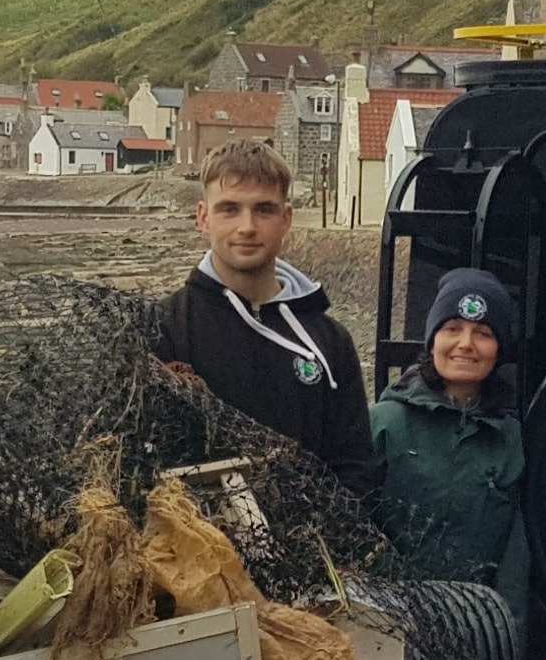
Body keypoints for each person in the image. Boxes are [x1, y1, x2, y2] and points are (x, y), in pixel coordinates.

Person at [154, 139, 379, 497]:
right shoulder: (164, 329)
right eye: (229, 209)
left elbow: (355, 465)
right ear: (203, 217)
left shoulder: (330, 341)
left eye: (263, 210)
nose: (247, 227)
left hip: (311, 543)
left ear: (286, 218)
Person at [369, 267, 529, 616]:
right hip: (390, 623)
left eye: (483, 333)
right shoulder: (385, 423)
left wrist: (505, 640)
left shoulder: (511, 440)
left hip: (473, 626)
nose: (466, 344)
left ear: (499, 349)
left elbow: (515, 565)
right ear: (432, 340)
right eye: (452, 329)